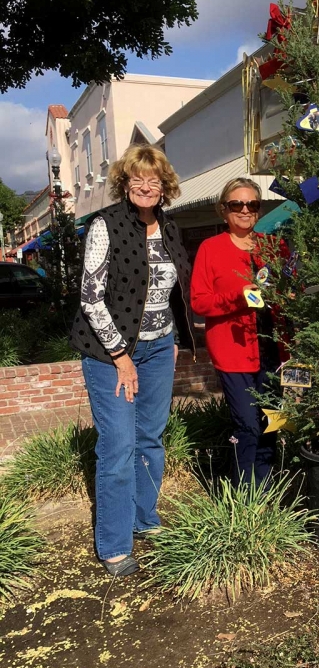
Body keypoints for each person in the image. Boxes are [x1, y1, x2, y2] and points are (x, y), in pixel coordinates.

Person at [69, 145, 194, 577]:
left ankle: (144, 518)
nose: (146, 186)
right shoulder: (105, 226)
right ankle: (114, 544)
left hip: (159, 348)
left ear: (165, 186)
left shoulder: (171, 227)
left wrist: (173, 337)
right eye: (137, 179)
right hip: (110, 353)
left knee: (150, 438)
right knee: (119, 446)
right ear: (125, 183)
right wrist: (122, 357)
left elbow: (170, 291)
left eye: (154, 180)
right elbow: (90, 298)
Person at [190, 178, 283, 488]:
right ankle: (245, 495)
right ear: (224, 210)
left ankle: (267, 491)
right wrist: (236, 298)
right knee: (248, 426)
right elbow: (199, 301)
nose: (245, 210)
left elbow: (286, 294)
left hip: (272, 349)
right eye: (236, 205)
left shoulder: (274, 246)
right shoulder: (211, 248)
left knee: (272, 422)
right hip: (234, 352)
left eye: (252, 205)